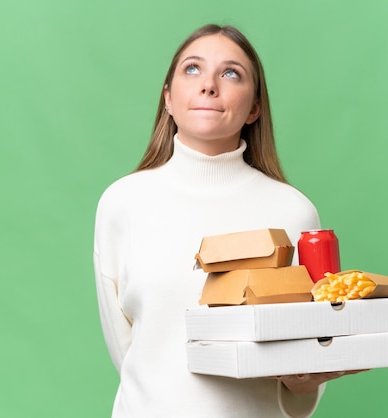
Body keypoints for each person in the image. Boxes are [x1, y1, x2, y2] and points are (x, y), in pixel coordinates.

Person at [93, 23, 362, 417]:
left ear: (254, 107)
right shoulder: (123, 203)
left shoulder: (294, 212)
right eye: (192, 69)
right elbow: (129, 352)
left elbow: (312, 347)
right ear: (167, 98)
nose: (209, 85)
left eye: (231, 73)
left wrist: (301, 383)